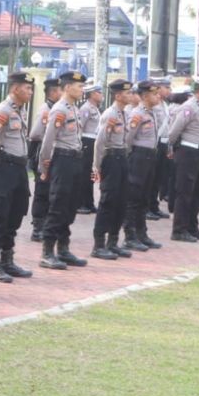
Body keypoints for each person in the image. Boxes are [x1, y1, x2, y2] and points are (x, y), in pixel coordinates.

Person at [0, 72, 34, 283]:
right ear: (15, 89)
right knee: (0, 214)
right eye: (27, 88)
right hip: (5, 167)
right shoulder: (3, 111)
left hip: (20, 168)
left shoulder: (19, 110)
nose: (30, 92)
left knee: (17, 211)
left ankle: (7, 260)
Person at [37, 71, 89, 270]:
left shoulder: (73, 109)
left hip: (75, 159)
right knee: (58, 204)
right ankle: (47, 251)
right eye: (79, 86)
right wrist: (44, 167)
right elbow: (48, 140)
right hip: (62, 159)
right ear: (67, 87)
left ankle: (64, 248)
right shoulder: (60, 110)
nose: (82, 89)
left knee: (70, 205)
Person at [167, 78, 199, 242]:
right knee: (185, 192)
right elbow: (174, 131)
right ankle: (179, 230)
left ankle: (192, 227)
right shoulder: (189, 107)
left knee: (198, 193)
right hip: (188, 152)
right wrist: (171, 149)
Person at [90, 79, 133, 260]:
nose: (131, 95)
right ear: (118, 95)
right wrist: (96, 166)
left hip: (122, 157)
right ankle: (99, 244)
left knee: (121, 202)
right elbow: (100, 142)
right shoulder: (110, 114)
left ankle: (113, 242)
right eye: (128, 93)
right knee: (108, 202)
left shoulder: (123, 113)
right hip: (111, 158)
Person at [122, 80, 163, 252]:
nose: (158, 96)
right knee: (134, 197)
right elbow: (128, 139)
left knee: (144, 197)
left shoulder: (151, 112)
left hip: (150, 156)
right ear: (145, 96)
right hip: (138, 156)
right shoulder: (137, 114)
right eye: (155, 94)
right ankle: (130, 236)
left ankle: (142, 233)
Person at [28, 78, 61, 241]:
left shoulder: (56, 108)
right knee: (42, 191)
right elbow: (34, 134)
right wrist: (50, 137)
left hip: (53, 155)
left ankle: (46, 224)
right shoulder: (46, 110)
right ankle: (37, 227)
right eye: (60, 90)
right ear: (53, 92)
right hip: (42, 155)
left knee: (50, 191)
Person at [146, 77, 173, 220]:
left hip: (163, 143)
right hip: (154, 144)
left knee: (158, 177)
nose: (169, 91)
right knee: (150, 177)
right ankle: (147, 207)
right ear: (158, 88)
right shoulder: (153, 105)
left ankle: (154, 206)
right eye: (166, 87)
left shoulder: (164, 104)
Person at [76, 82, 102, 214]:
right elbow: (80, 128)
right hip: (86, 142)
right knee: (84, 174)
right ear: (92, 94)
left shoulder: (95, 108)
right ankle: (81, 203)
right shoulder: (86, 108)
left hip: (93, 142)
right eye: (99, 92)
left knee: (91, 174)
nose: (101, 95)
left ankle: (89, 202)